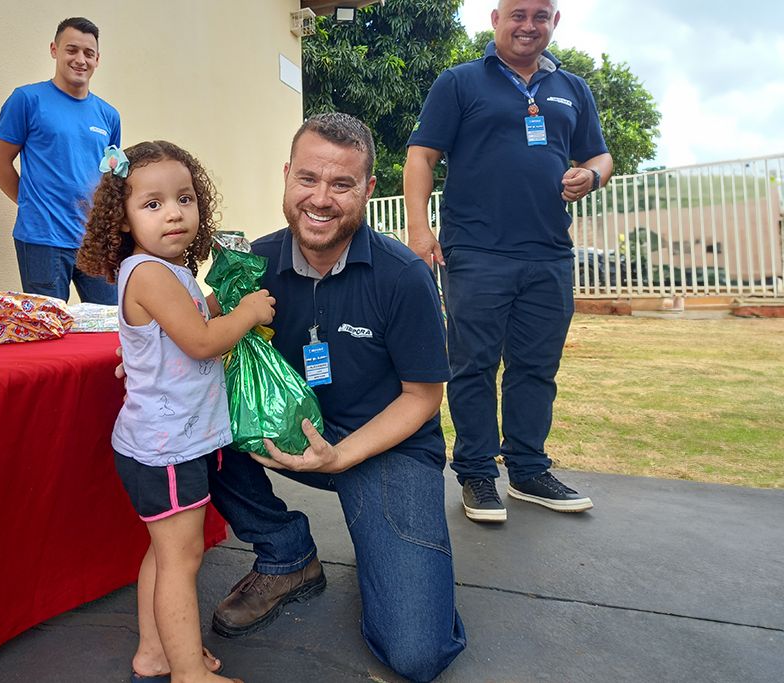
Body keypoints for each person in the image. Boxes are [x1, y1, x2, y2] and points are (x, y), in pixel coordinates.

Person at [205, 113, 466, 683]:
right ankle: (287, 554)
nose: (320, 199)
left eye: (341, 184)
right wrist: (149, 361)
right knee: (184, 429)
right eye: (307, 179)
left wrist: (342, 456)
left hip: (385, 450)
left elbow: (423, 397)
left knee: (417, 653)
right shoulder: (253, 266)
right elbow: (199, 339)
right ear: (286, 177)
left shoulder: (403, 276)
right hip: (288, 438)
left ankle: (391, 554)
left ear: (369, 189)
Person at [403, 0, 613, 523]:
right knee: (473, 365)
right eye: (517, 14)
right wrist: (418, 230)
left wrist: (592, 176)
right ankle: (476, 473)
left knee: (537, 368)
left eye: (540, 15)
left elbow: (600, 156)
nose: (528, 25)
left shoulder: (574, 88)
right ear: (496, 20)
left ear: (554, 23)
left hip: (549, 252)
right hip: (475, 250)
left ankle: (527, 470)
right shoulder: (460, 81)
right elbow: (421, 156)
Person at [77, 140, 275, 683]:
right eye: (153, 203)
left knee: (166, 555)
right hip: (165, 448)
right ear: (122, 219)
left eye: (185, 199)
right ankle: (189, 672)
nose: (174, 213)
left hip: (167, 443)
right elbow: (202, 342)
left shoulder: (169, 272)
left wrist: (221, 302)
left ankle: (156, 652)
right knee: (181, 560)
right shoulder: (148, 274)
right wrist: (248, 313)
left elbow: (193, 315)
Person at [0, 17, 121, 304]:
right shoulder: (27, 100)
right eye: (71, 50)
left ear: (97, 59)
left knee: (109, 323)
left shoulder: (109, 116)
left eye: (88, 53)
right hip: (42, 240)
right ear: (54, 50)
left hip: (94, 240)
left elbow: (112, 176)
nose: (80, 59)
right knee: (49, 328)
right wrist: (31, 204)